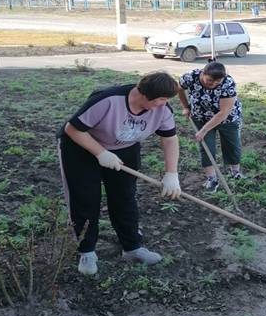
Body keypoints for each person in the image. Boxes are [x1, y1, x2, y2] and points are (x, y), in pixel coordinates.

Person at [58, 71, 182, 276]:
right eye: (160, 99)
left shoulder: (162, 109)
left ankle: (132, 247)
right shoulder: (108, 100)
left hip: (125, 148)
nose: (164, 104)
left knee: (125, 198)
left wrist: (171, 174)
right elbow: (73, 129)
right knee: (85, 199)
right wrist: (100, 153)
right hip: (81, 148)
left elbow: (169, 139)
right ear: (143, 94)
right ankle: (86, 252)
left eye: (166, 100)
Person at [178, 61, 243, 193]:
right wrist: (185, 106)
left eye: (217, 82)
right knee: (207, 147)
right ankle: (212, 179)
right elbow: (178, 88)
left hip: (227, 119)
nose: (213, 84)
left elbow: (224, 112)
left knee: (232, 144)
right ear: (203, 73)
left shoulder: (227, 83)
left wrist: (204, 130)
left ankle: (235, 172)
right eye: (210, 80)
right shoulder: (191, 77)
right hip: (201, 117)